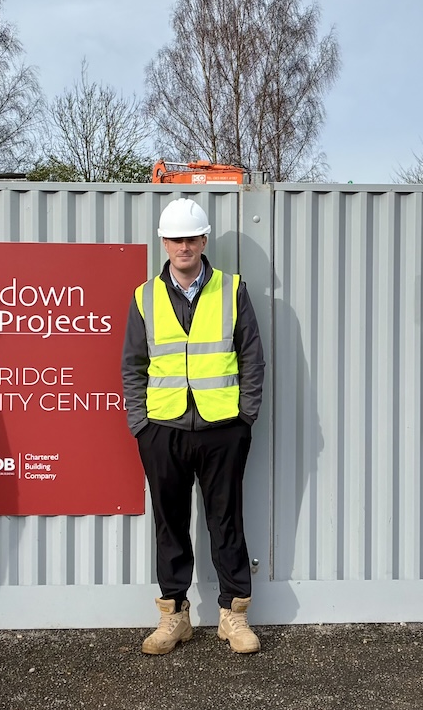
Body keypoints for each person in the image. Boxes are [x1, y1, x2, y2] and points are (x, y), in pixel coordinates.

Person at [122, 197, 265, 655]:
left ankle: (233, 615)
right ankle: (174, 616)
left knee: (226, 521)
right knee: (170, 523)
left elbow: (251, 357)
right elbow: (133, 365)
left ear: (204, 241)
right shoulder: (145, 296)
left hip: (223, 426)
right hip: (162, 428)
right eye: (175, 239)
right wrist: (140, 424)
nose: (183, 246)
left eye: (191, 238)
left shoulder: (232, 289)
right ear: (164, 243)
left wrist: (245, 417)